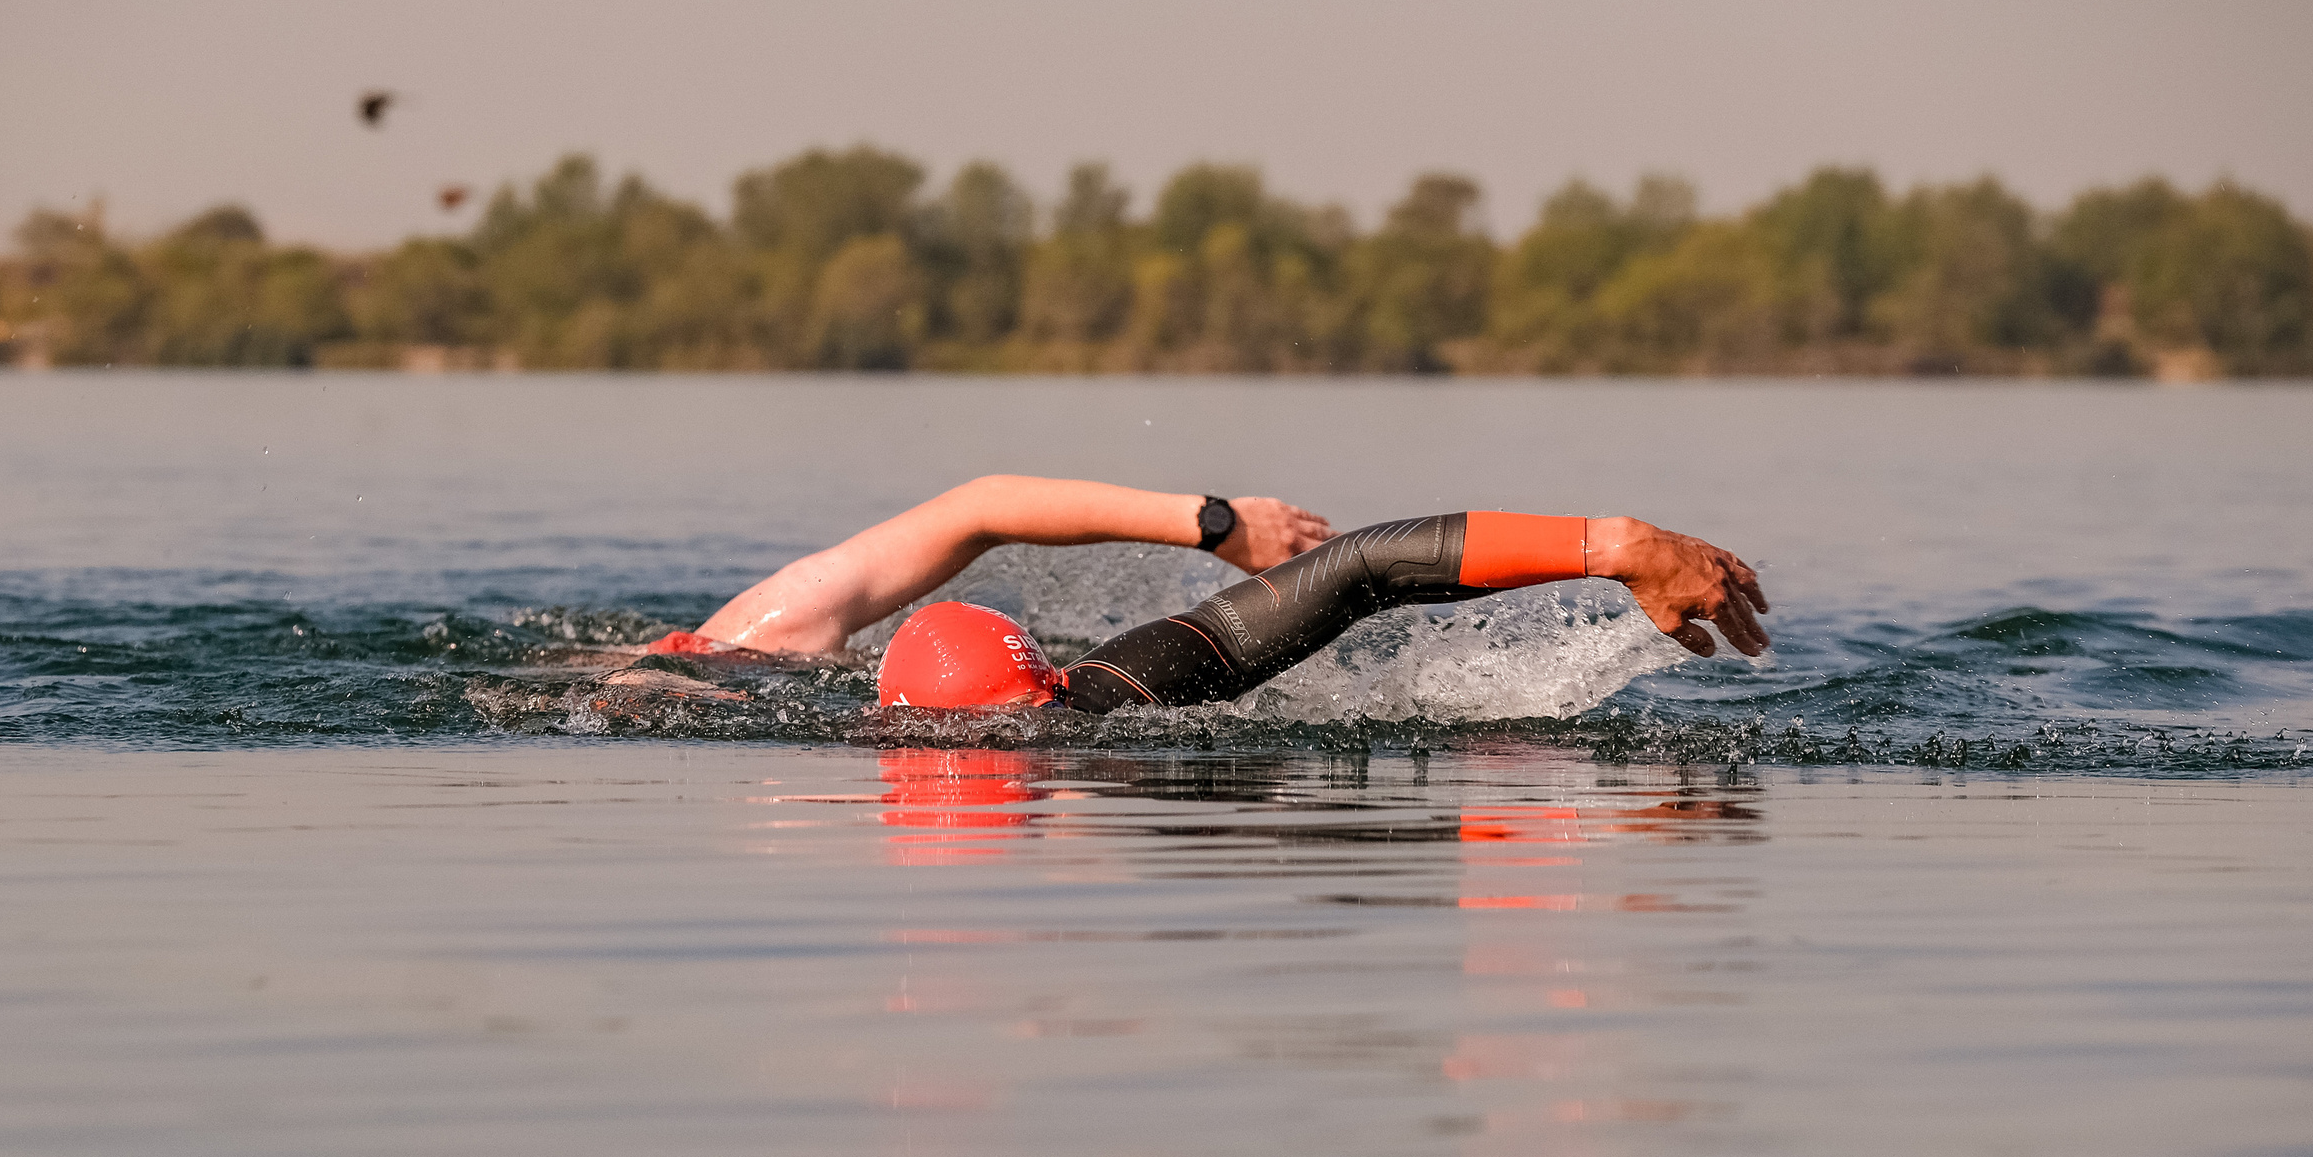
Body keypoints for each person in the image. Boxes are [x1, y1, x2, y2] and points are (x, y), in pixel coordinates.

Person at [614, 475, 1767, 712]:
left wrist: (1214, 525)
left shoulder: (732, 655)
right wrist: (1607, 543)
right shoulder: (1106, 693)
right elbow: (1362, 566)